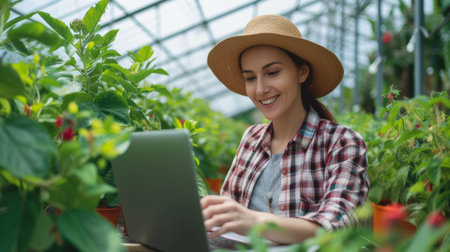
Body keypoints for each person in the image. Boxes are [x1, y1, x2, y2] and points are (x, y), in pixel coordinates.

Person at [201, 14, 369, 244]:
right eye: (250, 77)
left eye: (272, 73)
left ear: (302, 72)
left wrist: (254, 222)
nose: (260, 89)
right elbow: (230, 212)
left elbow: (338, 222)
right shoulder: (251, 139)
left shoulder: (341, 142)